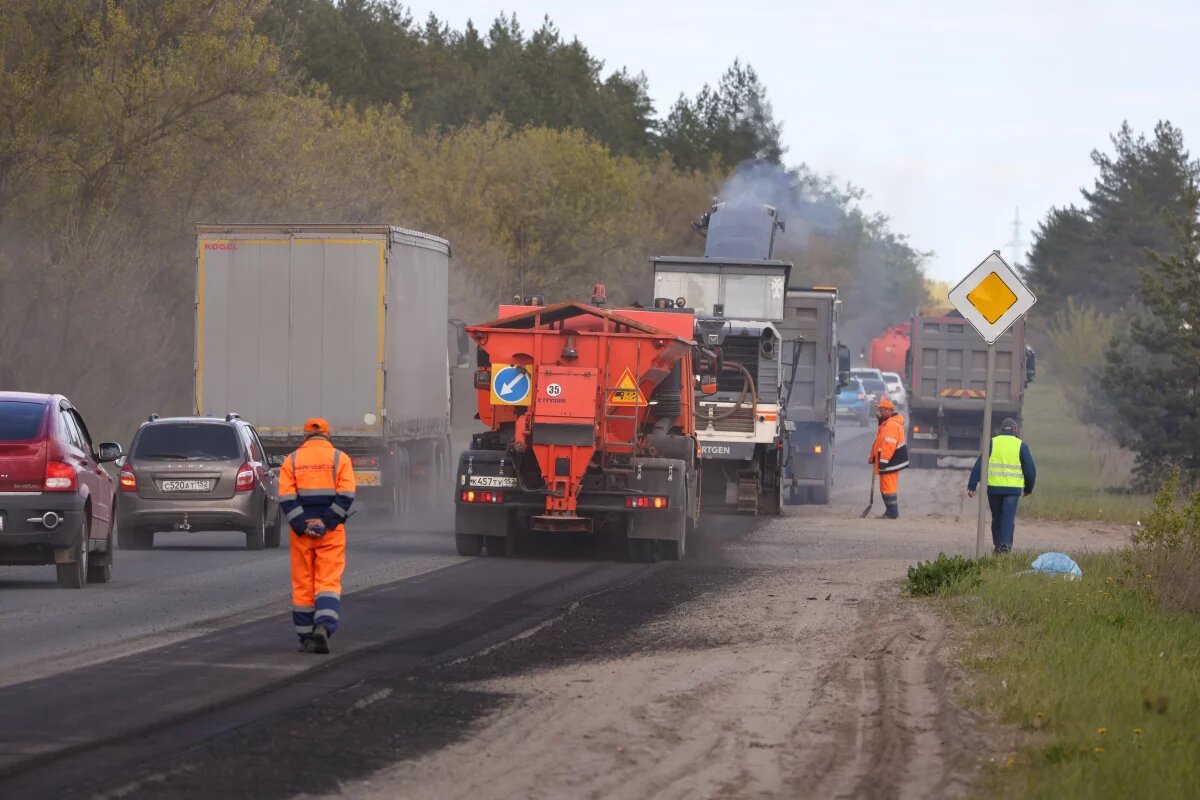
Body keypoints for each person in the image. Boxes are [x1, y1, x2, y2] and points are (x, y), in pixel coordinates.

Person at [278, 418, 356, 654]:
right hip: (331, 533)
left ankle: (305, 638)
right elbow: (346, 493)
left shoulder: (291, 460)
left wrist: (304, 524)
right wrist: (326, 522)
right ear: (328, 436)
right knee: (327, 582)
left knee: (303, 584)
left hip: (301, 534)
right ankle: (323, 626)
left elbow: (286, 497)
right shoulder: (340, 459)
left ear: (304, 437)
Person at [968, 417, 1037, 554]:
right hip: (1012, 490)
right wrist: (1028, 488)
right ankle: (1005, 547)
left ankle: (998, 545)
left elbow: (980, 465)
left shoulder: (992, 443)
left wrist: (972, 485)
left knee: (997, 517)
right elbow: (1030, 470)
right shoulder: (1021, 446)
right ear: (1015, 430)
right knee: (1008, 518)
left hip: (994, 489)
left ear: (1001, 430)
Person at [868, 396, 909, 519]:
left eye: (881, 410)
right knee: (886, 487)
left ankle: (892, 512)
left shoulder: (891, 425)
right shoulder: (887, 423)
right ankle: (890, 511)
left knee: (888, 488)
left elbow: (888, 445)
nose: (879, 412)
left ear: (888, 411)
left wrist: (883, 461)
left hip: (890, 461)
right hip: (889, 461)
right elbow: (880, 442)